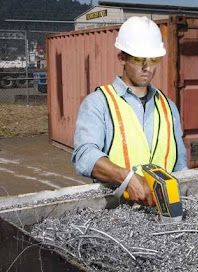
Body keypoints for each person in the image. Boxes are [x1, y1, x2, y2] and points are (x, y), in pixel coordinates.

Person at [72, 16, 187, 206]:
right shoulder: (99, 104)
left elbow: (180, 166)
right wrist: (127, 178)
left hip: (164, 214)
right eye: (139, 59)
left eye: (153, 60)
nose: (147, 68)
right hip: (116, 213)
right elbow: (84, 155)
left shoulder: (168, 107)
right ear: (122, 58)